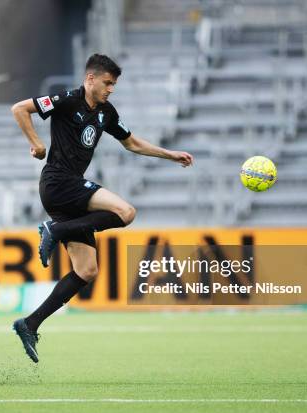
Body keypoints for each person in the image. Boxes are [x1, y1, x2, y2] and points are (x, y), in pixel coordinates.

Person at [10, 54, 193, 362]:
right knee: (126, 212)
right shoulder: (67, 99)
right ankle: (54, 230)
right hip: (58, 183)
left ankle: (29, 324)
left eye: (114, 85)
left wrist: (170, 155)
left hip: (69, 191)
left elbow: (132, 143)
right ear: (91, 79)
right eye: (108, 83)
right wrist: (36, 143)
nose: (111, 89)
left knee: (87, 270)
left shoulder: (106, 112)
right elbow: (20, 108)